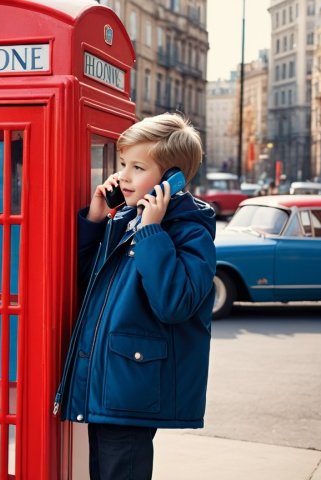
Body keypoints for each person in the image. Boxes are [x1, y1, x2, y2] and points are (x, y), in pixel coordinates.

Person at [54, 113, 216, 480]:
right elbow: (87, 283)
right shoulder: (126, 218)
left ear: (171, 179)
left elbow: (174, 303)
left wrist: (153, 232)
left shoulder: (189, 231)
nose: (123, 176)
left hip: (131, 387)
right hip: (108, 381)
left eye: (138, 167)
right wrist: (95, 221)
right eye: (123, 163)